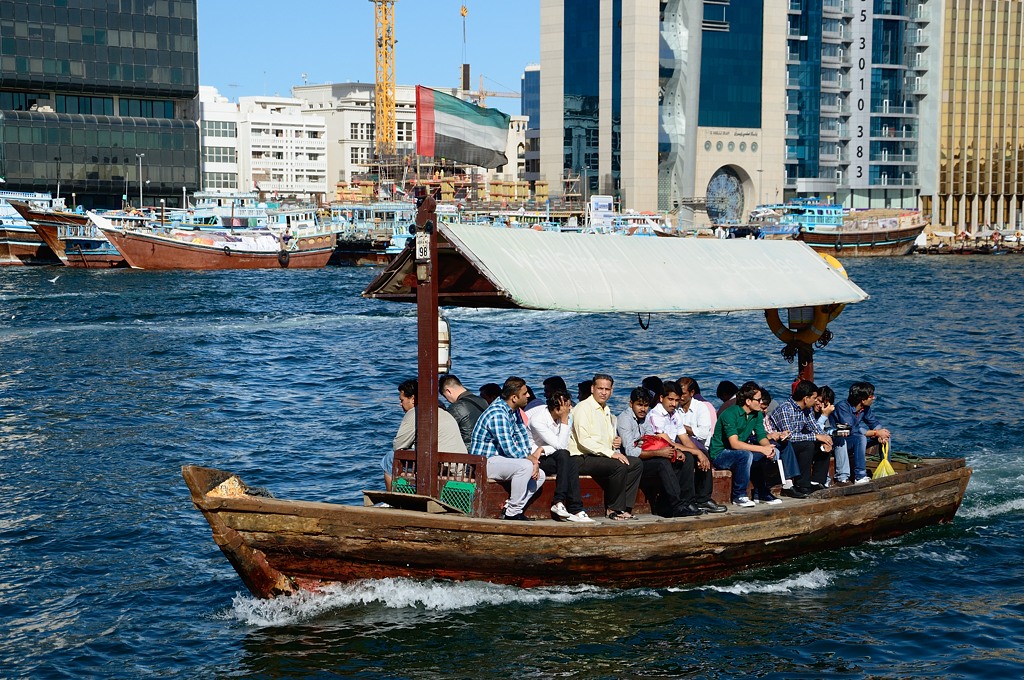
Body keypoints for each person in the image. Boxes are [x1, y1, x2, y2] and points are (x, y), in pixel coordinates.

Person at [470, 376, 547, 520]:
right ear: (514, 398)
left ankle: (510, 508)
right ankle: (513, 513)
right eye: (524, 393)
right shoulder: (498, 413)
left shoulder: (514, 411)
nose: (529, 395)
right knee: (525, 467)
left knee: (540, 475)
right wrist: (532, 461)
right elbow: (510, 449)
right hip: (485, 462)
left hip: (500, 459)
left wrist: (533, 462)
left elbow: (522, 437)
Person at [569, 373, 644, 520]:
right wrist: (611, 454)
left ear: (612, 391)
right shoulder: (583, 408)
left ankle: (625, 507)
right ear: (592, 388)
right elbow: (584, 440)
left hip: (599, 455)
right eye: (600, 388)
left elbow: (603, 438)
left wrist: (615, 442)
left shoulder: (606, 409)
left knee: (636, 464)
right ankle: (613, 509)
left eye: (607, 389)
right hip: (580, 457)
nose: (603, 392)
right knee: (618, 465)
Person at [638, 382, 711, 517]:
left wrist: (700, 454)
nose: (674, 403)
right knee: (688, 457)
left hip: (670, 449)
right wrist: (696, 452)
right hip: (657, 452)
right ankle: (681, 502)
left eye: (677, 400)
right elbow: (666, 441)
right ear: (661, 398)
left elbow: (685, 439)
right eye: (670, 399)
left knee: (702, 454)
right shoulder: (656, 415)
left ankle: (698, 499)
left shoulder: (675, 414)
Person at [385, 378, 467, 491]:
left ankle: (392, 499)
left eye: (402, 400)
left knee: (389, 458)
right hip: (460, 467)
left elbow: (398, 447)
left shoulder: (415, 412)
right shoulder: (441, 411)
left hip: (443, 467)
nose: (400, 404)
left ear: (413, 399)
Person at [707, 381, 778, 507]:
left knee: (769, 453)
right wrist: (761, 449)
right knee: (745, 455)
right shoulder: (730, 414)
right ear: (748, 401)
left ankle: (761, 491)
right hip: (720, 454)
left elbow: (761, 435)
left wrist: (768, 448)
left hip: (739, 451)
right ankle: (739, 495)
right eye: (758, 400)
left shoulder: (756, 415)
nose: (761, 402)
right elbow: (734, 444)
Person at [527, 389, 594, 522]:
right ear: (557, 409)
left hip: (553, 456)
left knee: (570, 459)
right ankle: (563, 503)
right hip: (535, 460)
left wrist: (543, 449)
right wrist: (564, 420)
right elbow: (561, 446)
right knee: (566, 456)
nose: (570, 408)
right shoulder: (538, 420)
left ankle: (574, 508)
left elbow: (563, 445)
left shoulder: (566, 418)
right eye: (567, 406)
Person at [768, 380, 833, 497]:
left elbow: (815, 427)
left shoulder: (806, 410)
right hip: (783, 444)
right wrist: (816, 436)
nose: (815, 401)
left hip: (797, 441)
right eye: (814, 398)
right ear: (806, 398)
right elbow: (790, 436)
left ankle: (817, 480)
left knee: (821, 444)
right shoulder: (785, 409)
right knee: (808, 444)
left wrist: (826, 439)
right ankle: (802, 484)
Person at [834, 381, 891, 485]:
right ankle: (860, 476)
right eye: (871, 396)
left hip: (855, 438)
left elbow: (874, 423)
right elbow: (852, 429)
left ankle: (887, 470)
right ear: (863, 400)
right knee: (861, 438)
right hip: (840, 442)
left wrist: (881, 433)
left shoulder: (865, 408)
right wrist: (875, 433)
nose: (873, 398)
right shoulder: (842, 407)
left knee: (886, 435)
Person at [439, 374, 489, 448]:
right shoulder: (483, 401)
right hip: (484, 447)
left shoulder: (456, 408)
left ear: (448, 391)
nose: (448, 400)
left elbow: (442, 429)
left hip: (467, 451)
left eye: (445, 397)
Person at [813, 385, 849, 485]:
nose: (820, 405)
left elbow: (826, 429)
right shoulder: (810, 411)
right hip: (812, 440)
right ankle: (825, 479)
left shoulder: (824, 412)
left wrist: (835, 432)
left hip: (822, 438)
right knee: (825, 443)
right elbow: (815, 431)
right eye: (819, 401)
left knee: (840, 440)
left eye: (824, 404)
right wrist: (824, 415)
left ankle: (843, 477)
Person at [676, 377, 714, 452]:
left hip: (701, 448)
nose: (680, 397)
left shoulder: (701, 407)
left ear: (692, 393)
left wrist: (680, 426)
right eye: (678, 394)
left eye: (683, 394)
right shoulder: (675, 407)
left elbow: (703, 434)